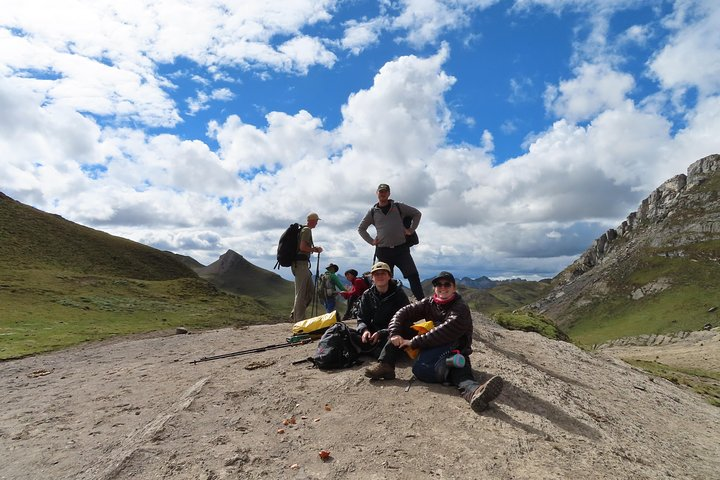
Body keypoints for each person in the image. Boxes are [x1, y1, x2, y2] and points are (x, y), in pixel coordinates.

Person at [364, 271, 504, 413]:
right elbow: (402, 312)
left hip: (453, 345)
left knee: (455, 365)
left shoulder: (460, 308)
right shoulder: (430, 302)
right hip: (431, 344)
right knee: (404, 328)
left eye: (447, 284)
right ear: (434, 288)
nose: (442, 287)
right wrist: (394, 333)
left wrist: (413, 342)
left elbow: (444, 332)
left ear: (454, 287)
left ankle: (474, 392)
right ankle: (386, 365)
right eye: (438, 284)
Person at [357, 183, 425, 300]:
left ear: (389, 193)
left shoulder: (398, 206)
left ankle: (423, 304)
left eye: (385, 191)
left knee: (413, 276)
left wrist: (411, 230)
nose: (383, 194)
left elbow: (417, 214)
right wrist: (371, 241)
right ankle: (385, 306)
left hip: (401, 249)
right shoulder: (373, 211)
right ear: (377, 193)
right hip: (383, 251)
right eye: (380, 191)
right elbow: (361, 228)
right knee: (384, 280)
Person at [354, 261, 410, 357]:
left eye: (383, 273)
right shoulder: (367, 294)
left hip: (393, 331)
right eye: (376, 274)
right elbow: (362, 318)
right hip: (373, 331)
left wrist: (383, 333)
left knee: (394, 341)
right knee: (349, 335)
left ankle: (376, 351)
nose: (380, 276)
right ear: (372, 278)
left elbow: (406, 320)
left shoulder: (399, 294)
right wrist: (365, 330)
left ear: (389, 276)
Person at [291, 212, 323, 322]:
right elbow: (303, 247)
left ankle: (296, 313)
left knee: (310, 291)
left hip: (302, 265)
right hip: (300, 265)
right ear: (312, 220)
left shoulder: (303, 230)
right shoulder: (306, 230)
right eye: (316, 221)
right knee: (301, 293)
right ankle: (299, 320)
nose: (317, 223)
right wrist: (315, 249)